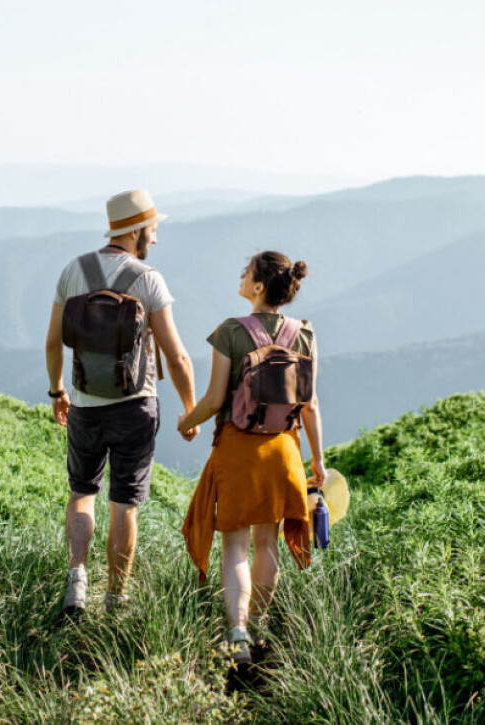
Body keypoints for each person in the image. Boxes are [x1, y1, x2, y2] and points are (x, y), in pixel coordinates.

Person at [45, 189, 198, 615]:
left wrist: (58, 391)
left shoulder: (73, 271)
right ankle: (116, 597)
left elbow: (53, 342)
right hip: (135, 404)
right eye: (153, 229)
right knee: (124, 504)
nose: (155, 238)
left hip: (86, 404)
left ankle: (77, 578)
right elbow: (176, 354)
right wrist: (190, 408)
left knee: (81, 493)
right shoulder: (148, 279)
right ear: (137, 231)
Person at [177, 250, 326, 665]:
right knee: (268, 543)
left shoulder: (230, 332)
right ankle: (258, 623)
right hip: (284, 449)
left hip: (239, 448)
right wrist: (318, 460)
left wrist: (184, 422)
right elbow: (310, 404)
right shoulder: (305, 334)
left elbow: (214, 399)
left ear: (259, 287)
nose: (241, 276)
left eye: (247, 272)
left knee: (235, 547)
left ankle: (237, 633)